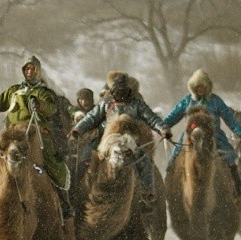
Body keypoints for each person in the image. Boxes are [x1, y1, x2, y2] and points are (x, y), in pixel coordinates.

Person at [0, 55, 72, 219]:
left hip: (36, 132)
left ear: (38, 71)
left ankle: (63, 202)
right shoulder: (14, 91)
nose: (30, 72)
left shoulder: (44, 92)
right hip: (13, 133)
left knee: (52, 161)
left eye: (33, 69)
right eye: (27, 69)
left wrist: (39, 105)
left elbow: (51, 108)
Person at [70, 72, 169, 202]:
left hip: (130, 139)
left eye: (122, 90)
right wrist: (78, 129)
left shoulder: (136, 104)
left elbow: (151, 118)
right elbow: (92, 117)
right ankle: (78, 192)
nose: (120, 93)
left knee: (143, 160)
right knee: (85, 158)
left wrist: (162, 129)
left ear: (127, 90)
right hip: (106, 139)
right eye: (117, 90)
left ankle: (147, 192)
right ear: (113, 90)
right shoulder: (106, 103)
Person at [161, 69, 241, 197]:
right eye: (198, 86)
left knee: (229, 156)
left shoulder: (216, 101)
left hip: (214, 134)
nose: (200, 89)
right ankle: (168, 184)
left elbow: (229, 118)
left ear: (208, 87)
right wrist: (163, 127)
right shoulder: (187, 101)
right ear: (193, 87)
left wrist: (239, 131)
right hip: (190, 135)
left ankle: (237, 184)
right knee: (175, 156)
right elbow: (173, 116)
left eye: (203, 86)